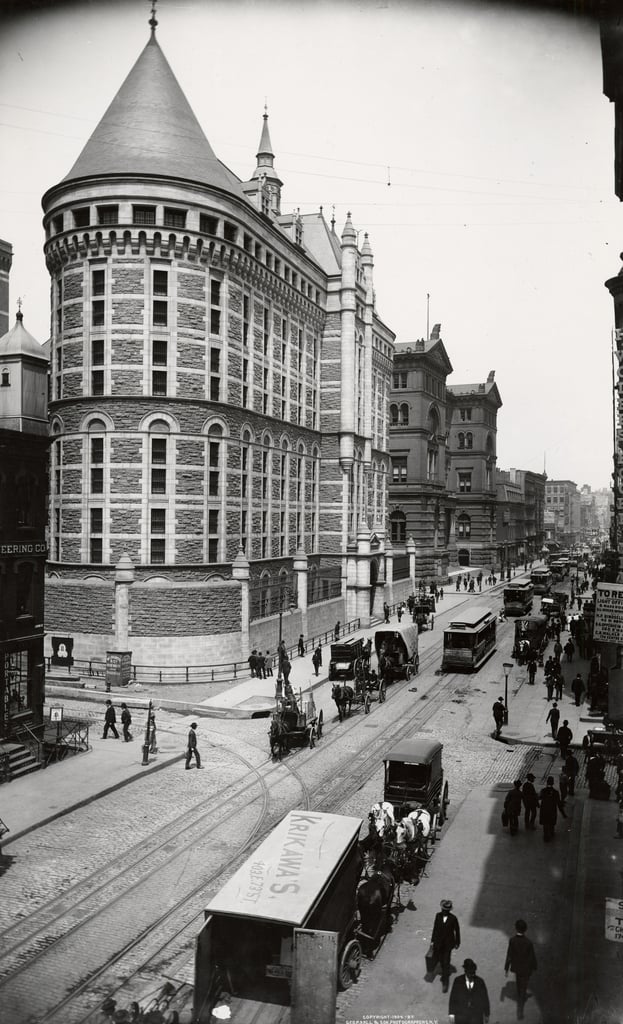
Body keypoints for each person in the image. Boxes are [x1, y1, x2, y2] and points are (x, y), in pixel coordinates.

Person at [504, 919, 537, 1020]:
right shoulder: (528, 943)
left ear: (516, 928)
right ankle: (520, 1010)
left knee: (519, 981)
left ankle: (520, 995)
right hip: (526, 969)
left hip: (517, 968)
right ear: (525, 929)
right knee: (524, 986)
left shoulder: (512, 940)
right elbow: (532, 957)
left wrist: (506, 968)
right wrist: (535, 966)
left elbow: (509, 955)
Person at [431, 898, 461, 993]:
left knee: (446, 961)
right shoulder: (438, 916)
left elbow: (457, 931)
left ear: (448, 911)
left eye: (446, 910)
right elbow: (435, 928)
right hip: (438, 943)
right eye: (443, 909)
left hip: (448, 944)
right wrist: (432, 940)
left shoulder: (453, 918)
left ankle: (445, 982)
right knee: (440, 959)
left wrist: (457, 942)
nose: (444, 911)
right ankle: (443, 969)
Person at [448, 958, 490, 1024]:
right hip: (461, 1016)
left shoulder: (480, 982)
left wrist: (487, 1014)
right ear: (465, 971)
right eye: (470, 973)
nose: (472, 975)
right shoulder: (458, 981)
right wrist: (451, 1014)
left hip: (476, 1017)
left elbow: (485, 998)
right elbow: (453, 998)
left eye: (473, 973)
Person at [539, 776, 566, 841]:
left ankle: (546, 836)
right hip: (552, 810)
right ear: (553, 783)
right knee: (551, 822)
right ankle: (551, 833)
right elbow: (559, 803)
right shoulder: (556, 792)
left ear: (547, 782)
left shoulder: (543, 791)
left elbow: (539, 797)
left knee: (545, 823)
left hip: (544, 810)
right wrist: (563, 813)